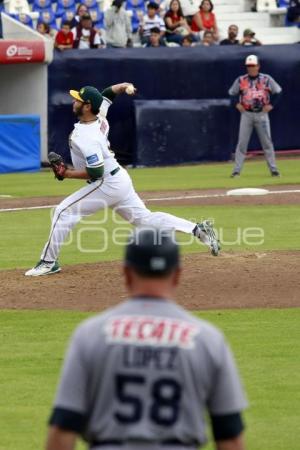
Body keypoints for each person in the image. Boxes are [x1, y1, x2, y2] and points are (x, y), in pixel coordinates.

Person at [45, 227, 247, 450]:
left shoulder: (90, 334)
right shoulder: (208, 340)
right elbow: (230, 435)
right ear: (178, 274)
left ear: (126, 272)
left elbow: (63, 427)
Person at [25, 83, 220, 276]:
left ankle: (48, 262)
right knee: (145, 220)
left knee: (63, 212)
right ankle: (197, 229)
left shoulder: (87, 137)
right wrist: (125, 86)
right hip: (119, 179)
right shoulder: (99, 116)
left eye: (78, 99)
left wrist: (66, 174)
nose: (74, 101)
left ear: (86, 107)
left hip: (106, 183)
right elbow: (108, 93)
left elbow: (96, 172)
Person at [229, 55, 282, 178]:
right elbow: (232, 93)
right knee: (242, 143)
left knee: (267, 143)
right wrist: (237, 104)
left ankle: (274, 169)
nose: (250, 68)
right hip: (246, 114)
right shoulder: (241, 79)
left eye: (253, 65)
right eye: (248, 66)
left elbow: (278, 91)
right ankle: (236, 171)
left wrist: (271, 105)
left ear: (258, 66)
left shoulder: (266, 79)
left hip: (262, 114)